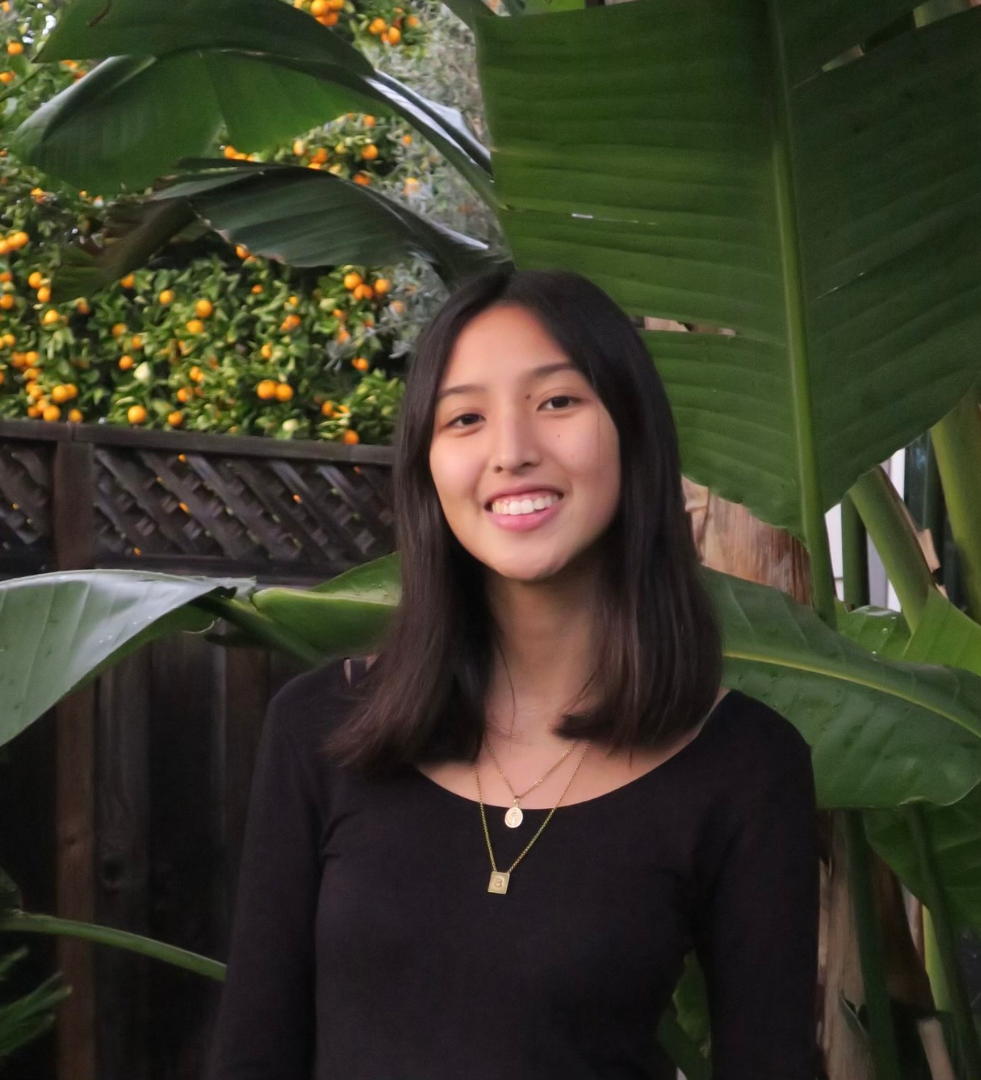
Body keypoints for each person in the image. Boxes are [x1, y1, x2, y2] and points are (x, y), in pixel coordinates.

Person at [204, 269, 819, 1080]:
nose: (513, 452)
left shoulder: (743, 763)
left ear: (633, 431)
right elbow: (254, 1055)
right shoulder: (321, 728)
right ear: (428, 468)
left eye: (557, 402)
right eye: (465, 418)